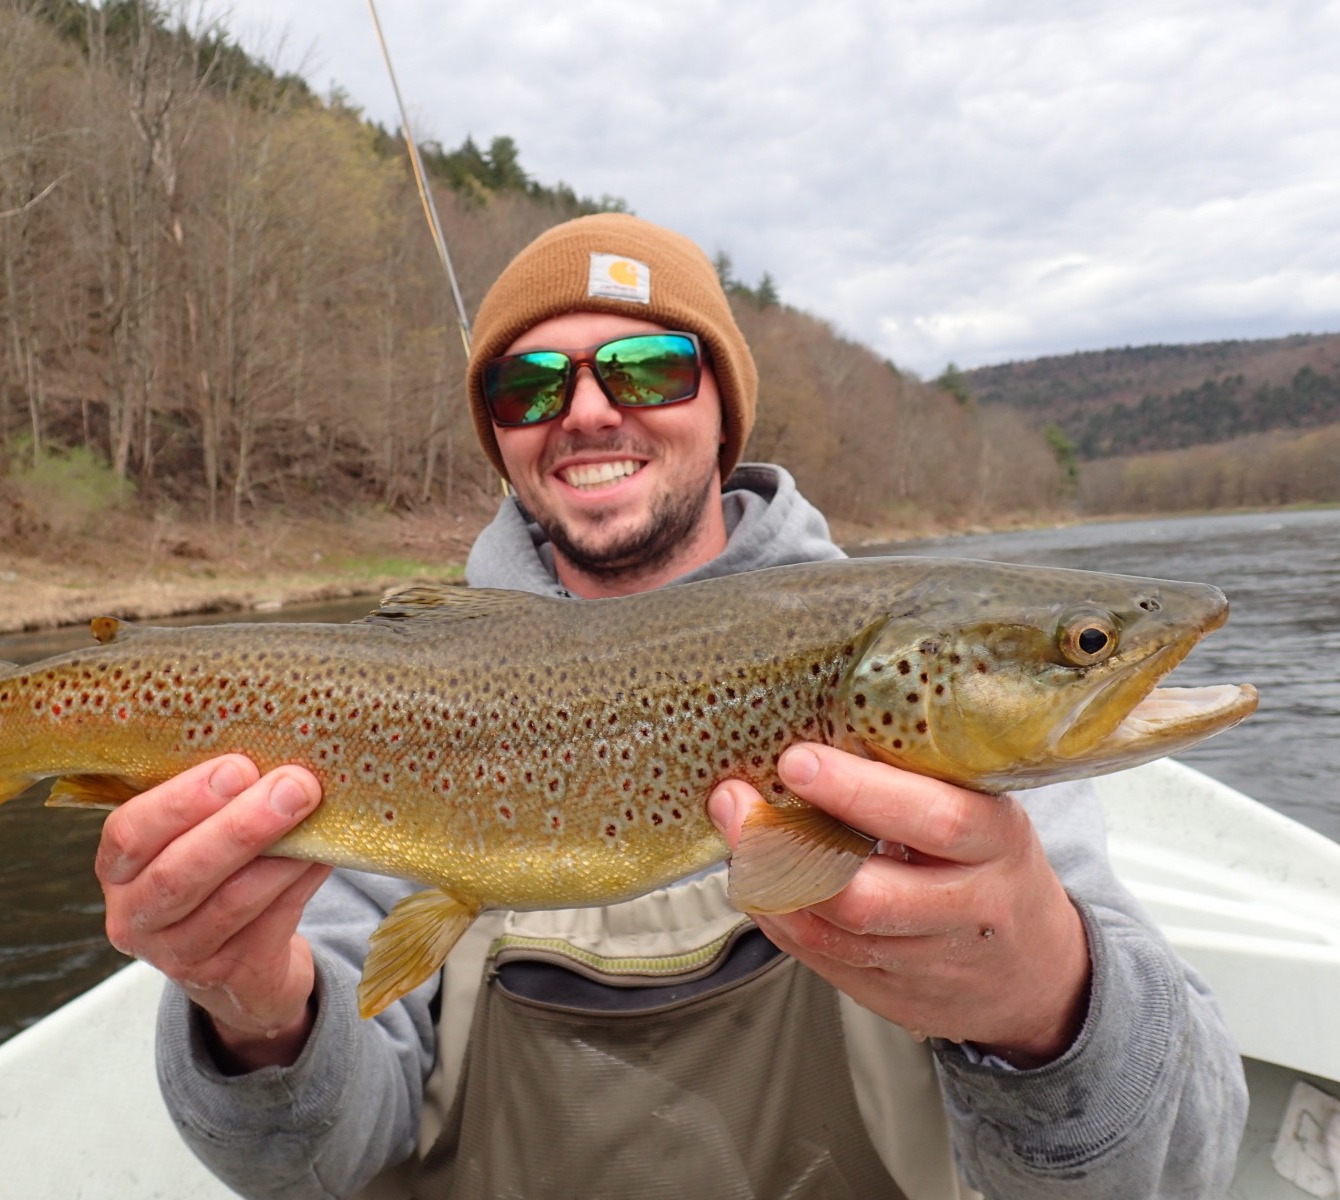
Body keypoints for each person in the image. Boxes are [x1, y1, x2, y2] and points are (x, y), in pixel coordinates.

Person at [96, 214, 1248, 1198]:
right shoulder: (394, 698)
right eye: (529, 383)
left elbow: (1179, 1169)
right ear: (498, 434)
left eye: (648, 368)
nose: (588, 411)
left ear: (722, 406)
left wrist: (1048, 1001)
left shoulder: (958, 743)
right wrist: (250, 1013)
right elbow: (317, 1168)